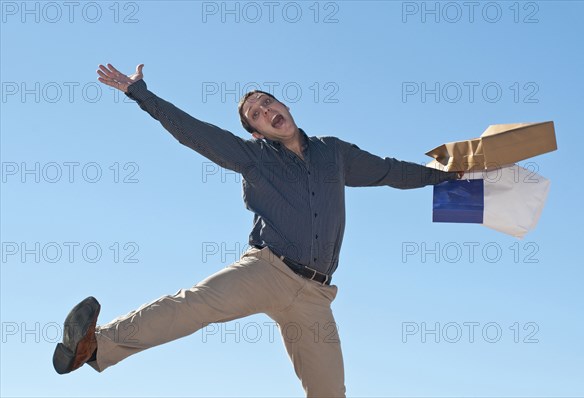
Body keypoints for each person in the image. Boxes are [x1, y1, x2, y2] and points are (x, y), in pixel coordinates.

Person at [52, 63, 463, 397]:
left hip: (315, 295)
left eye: (268, 103)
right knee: (194, 304)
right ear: (256, 131)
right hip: (266, 270)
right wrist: (140, 94)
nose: (266, 111)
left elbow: (389, 171)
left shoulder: (333, 154)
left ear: (284, 104)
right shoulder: (253, 158)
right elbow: (194, 133)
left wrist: (444, 177)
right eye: (256, 114)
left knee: (330, 390)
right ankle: (95, 346)